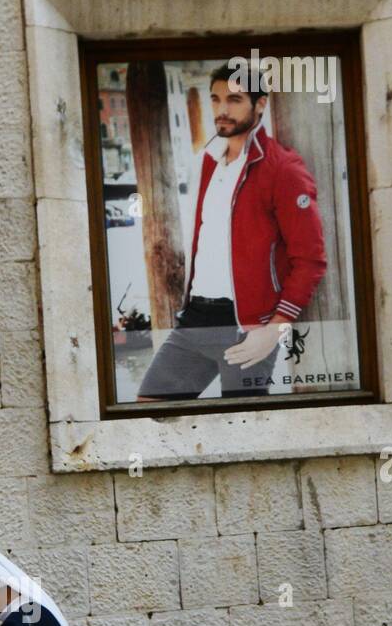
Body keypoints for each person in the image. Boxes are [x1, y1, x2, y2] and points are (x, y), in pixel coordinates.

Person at [136, 57, 327, 402]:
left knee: (242, 425)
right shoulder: (208, 161)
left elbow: (311, 259)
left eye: (235, 100)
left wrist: (274, 329)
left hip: (247, 327)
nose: (222, 109)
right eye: (215, 99)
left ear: (260, 105)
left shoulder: (282, 170)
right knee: (149, 410)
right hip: (195, 318)